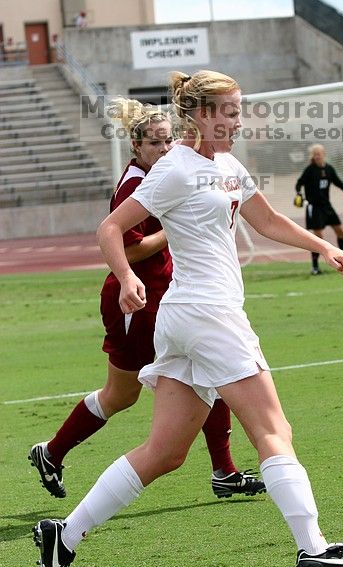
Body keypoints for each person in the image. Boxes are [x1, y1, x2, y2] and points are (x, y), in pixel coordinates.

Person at [33, 70, 343, 567]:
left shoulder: (226, 166)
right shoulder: (174, 168)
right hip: (208, 314)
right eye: (227, 111)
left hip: (187, 318)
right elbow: (110, 230)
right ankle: (312, 546)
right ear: (198, 114)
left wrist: (324, 246)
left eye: (240, 110)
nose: (237, 120)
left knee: (165, 452)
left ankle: (65, 535)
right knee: (273, 429)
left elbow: (265, 221)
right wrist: (127, 278)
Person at [28, 98, 264, 501]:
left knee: (212, 366)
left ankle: (224, 470)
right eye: (156, 143)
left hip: (169, 297)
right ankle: (51, 451)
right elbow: (126, 245)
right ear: (136, 148)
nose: (166, 148)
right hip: (133, 299)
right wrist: (173, 231)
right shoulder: (135, 185)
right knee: (121, 395)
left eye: (169, 140)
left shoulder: (170, 172)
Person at [294, 144, 343, 276]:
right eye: (315, 154)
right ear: (312, 156)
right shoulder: (310, 170)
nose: (317, 156)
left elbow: (338, 182)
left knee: (340, 231)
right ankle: (315, 267)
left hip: (327, 206)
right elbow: (299, 183)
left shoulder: (329, 169)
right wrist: (299, 194)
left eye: (319, 153)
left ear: (324, 154)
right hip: (314, 207)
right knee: (318, 238)